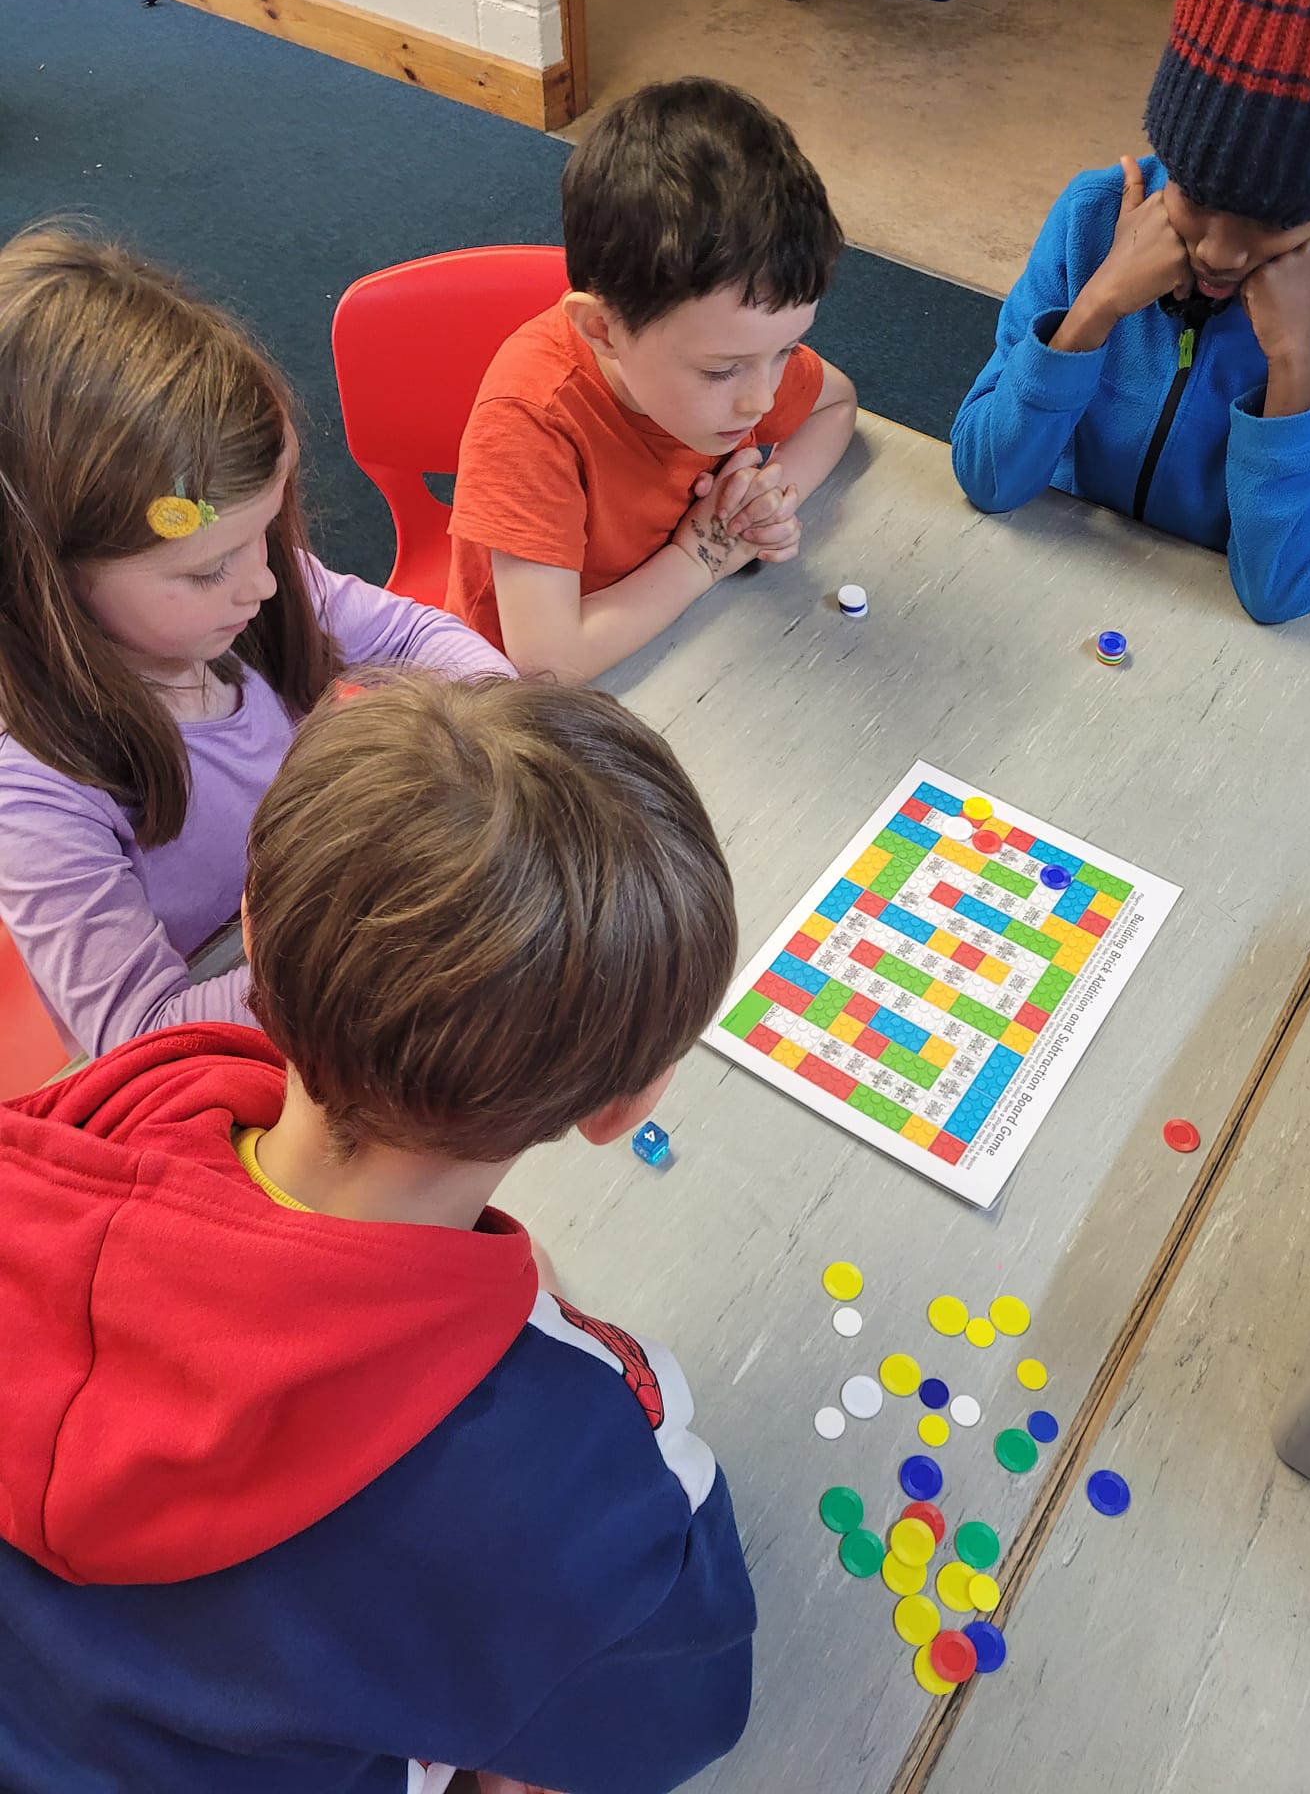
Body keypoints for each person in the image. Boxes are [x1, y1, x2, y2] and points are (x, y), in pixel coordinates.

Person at [0, 671, 754, 1793]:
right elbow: (681, 1706)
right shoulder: (575, 1468)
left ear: (251, 936)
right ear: (624, 1106)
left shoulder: (117, 1098)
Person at [0, 228, 513, 1060]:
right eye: (208, 569)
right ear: (46, 579)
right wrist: (378, 941)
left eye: (268, 533)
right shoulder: (35, 794)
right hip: (254, 1039)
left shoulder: (249, 591)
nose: (265, 584)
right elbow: (145, 1036)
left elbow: (417, 632)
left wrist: (518, 735)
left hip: (338, 939)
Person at [952, 0, 1310, 625]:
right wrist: (1094, 308)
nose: (1218, 250)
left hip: (1212, 620)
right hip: (1053, 586)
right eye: (1197, 196)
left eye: (1272, 222)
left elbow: (1282, 593)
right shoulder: (1092, 217)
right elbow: (987, 476)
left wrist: (1296, 368)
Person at [446, 76, 858, 679]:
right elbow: (545, 665)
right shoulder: (532, 418)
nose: (762, 398)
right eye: (721, 370)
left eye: (785, 350)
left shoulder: (731, 348)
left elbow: (837, 405)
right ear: (603, 331)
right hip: (504, 696)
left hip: (670, 638)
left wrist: (759, 504)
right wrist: (702, 555)